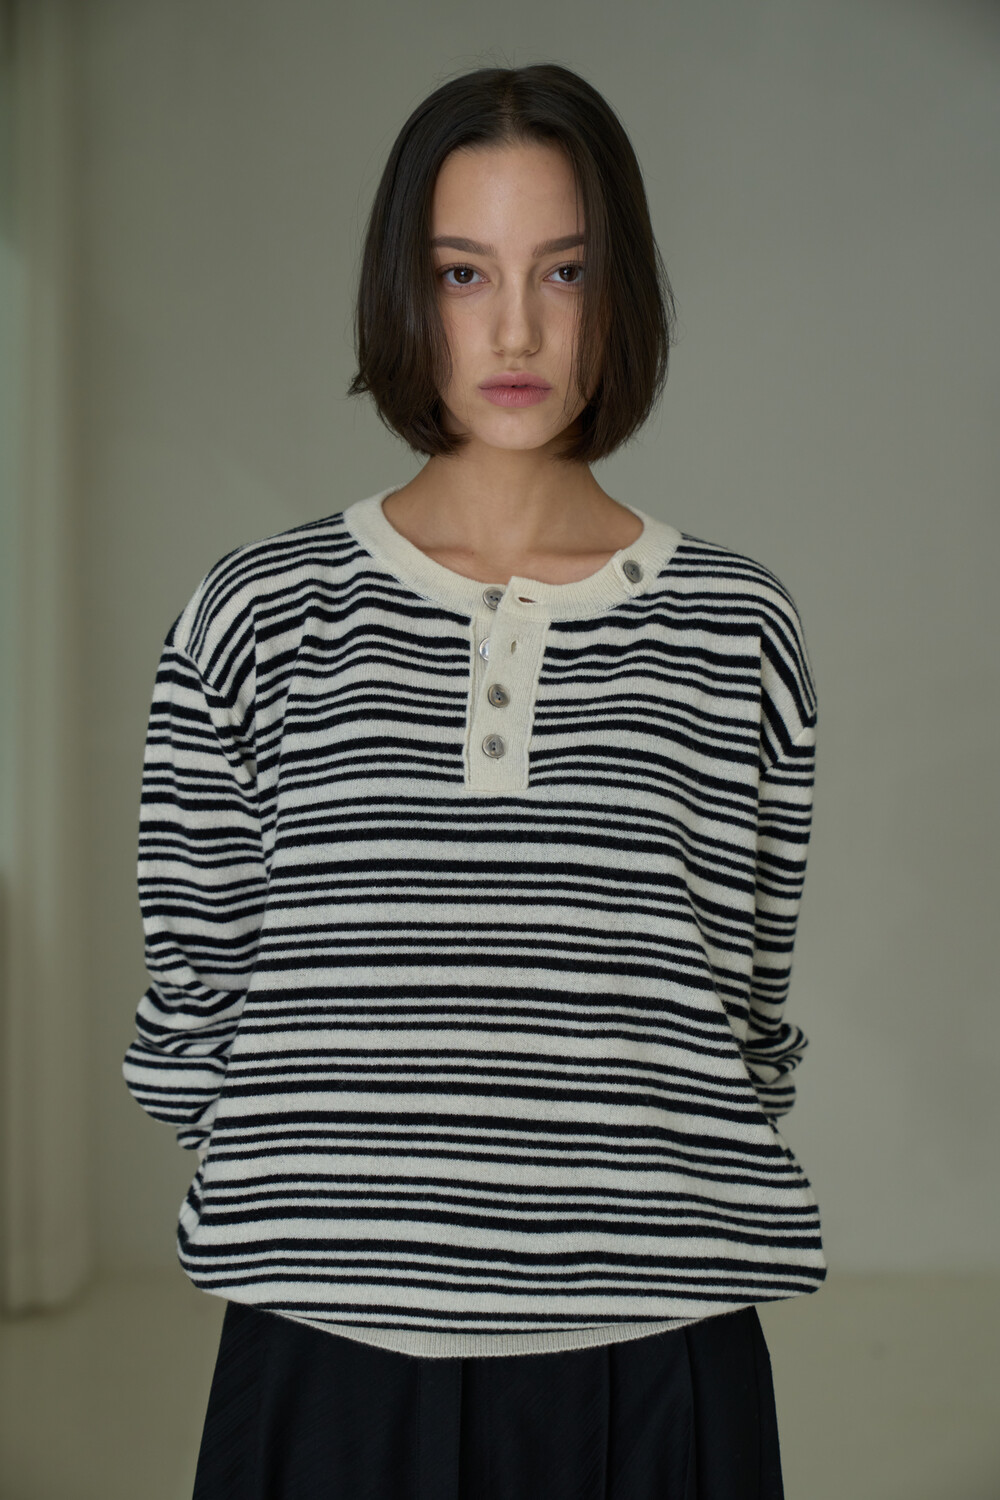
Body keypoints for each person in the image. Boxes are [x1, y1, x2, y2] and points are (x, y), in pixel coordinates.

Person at [122, 60, 825, 1499]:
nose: (515, 328)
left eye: (565, 271)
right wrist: (359, 1216)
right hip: (330, 1350)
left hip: (658, 1356)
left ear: (621, 295)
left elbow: (745, 1013)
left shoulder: (735, 627)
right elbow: (195, 1005)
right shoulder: (256, 617)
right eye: (463, 273)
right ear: (404, 290)